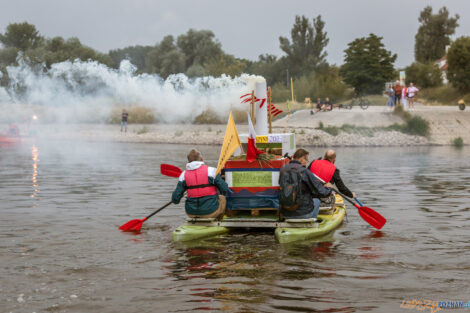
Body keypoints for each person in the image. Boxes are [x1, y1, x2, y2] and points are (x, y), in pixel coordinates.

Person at [172, 149, 229, 219]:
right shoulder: (211, 171)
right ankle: (219, 220)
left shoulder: (183, 175)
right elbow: (225, 189)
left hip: (191, 213)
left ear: (188, 161)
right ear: (201, 159)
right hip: (211, 213)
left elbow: (175, 200)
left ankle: (196, 218)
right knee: (222, 198)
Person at [279, 148, 332, 220]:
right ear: (301, 159)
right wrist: (329, 188)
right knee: (316, 201)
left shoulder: (283, 169)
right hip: (303, 214)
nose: (307, 162)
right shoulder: (304, 171)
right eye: (306, 160)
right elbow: (321, 192)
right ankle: (311, 223)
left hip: (284, 213)